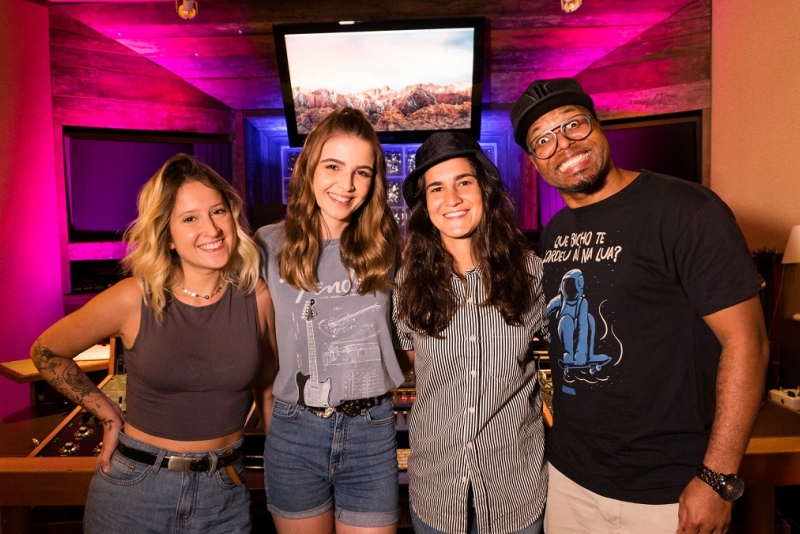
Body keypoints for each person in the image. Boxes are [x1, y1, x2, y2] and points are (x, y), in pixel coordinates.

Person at [510, 77, 769, 533]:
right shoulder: (554, 231)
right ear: (534, 161)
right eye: (543, 140)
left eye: (573, 124)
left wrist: (716, 478)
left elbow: (747, 343)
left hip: (669, 489)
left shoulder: (687, 211)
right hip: (569, 481)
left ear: (598, 124)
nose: (564, 145)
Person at [29, 154, 277, 533]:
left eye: (218, 211)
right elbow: (46, 351)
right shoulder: (134, 297)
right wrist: (108, 413)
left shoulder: (255, 296)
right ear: (168, 236)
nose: (211, 228)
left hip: (223, 489)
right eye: (189, 218)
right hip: (136, 487)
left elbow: (267, 387)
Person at [253, 107, 404, 534]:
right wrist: (274, 424)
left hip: (371, 431)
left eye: (362, 172)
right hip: (294, 429)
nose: (347, 185)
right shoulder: (268, 243)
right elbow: (262, 345)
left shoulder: (384, 243)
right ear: (308, 169)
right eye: (333, 166)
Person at [393, 131, 548, 534]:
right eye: (437, 188)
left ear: (485, 189)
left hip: (516, 491)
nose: (453, 198)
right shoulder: (408, 282)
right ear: (425, 205)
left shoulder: (534, 274)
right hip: (436, 493)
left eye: (464, 182)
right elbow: (414, 367)